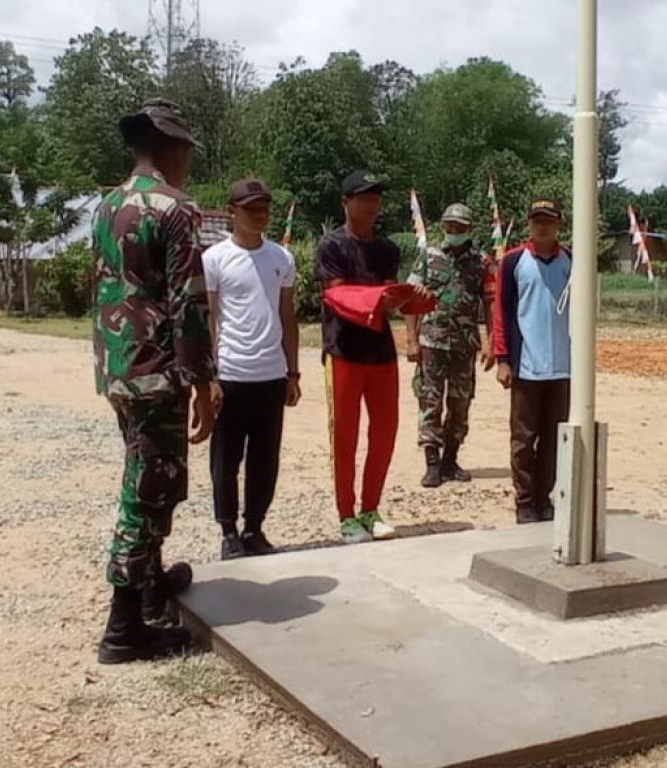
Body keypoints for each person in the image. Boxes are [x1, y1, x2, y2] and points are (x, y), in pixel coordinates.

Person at [92, 98, 222, 664]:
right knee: (147, 489)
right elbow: (188, 303)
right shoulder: (175, 208)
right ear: (172, 148)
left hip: (119, 366)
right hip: (158, 371)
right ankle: (124, 627)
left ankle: (150, 583)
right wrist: (203, 382)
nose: (188, 160)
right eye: (187, 150)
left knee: (150, 475)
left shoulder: (107, 205)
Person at [314, 171, 426, 544]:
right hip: (344, 351)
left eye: (376, 198)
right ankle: (347, 515)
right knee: (345, 436)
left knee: (384, 433)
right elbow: (337, 296)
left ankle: (371, 508)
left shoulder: (386, 249)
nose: (372, 205)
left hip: (381, 352)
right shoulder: (331, 247)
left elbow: (391, 296)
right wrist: (379, 298)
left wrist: (408, 299)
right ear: (345, 202)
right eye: (364, 197)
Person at [202, 178, 300, 560]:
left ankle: (254, 527)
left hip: (270, 375)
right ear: (232, 212)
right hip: (231, 374)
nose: (260, 215)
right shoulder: (215, 259)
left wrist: (293, 373)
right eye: (251, 209)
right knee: (226, 461)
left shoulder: (281, 258)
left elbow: (287, 316)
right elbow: (210, 318)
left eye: (264, 208)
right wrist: (210, 376)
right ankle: (228, 531)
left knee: (265, 461)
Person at [405, 203, 496, 488]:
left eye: (459, 226)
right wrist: (411, 339)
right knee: (429, 400)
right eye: (449, 225)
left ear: (469, 229)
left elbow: (490, 302)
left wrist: (491, 341)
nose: (454, 230)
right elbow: (410, 297)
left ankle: (450, 460)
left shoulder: (482, 262)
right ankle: (432, 463)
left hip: (464, 344)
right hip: (431, 342)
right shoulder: (428, 256)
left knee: (460, 402)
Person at [493, 198, 572, 525]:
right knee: (523, 438)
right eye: (537, 220)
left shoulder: (572, 261)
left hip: (563, 367)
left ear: (559, 225)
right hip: (526, 365)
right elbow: (501, 310)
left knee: (555, 438)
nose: (543, 226)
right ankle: (524, 500)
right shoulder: (514, 261)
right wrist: (503, 358)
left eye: (549, 220)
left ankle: (544, 497)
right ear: (529, 224)